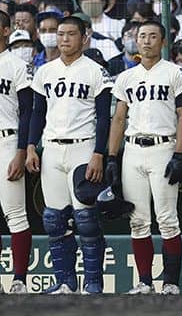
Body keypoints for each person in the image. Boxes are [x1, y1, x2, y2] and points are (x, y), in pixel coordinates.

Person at [26, 16, 113, 294]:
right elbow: (38, 113)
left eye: (71, 34)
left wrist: (99, 153)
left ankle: (93, 283)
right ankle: (65, 281)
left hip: (83, 147)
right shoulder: (44, 72)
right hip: (51, 148)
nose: (64, 39)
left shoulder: (95, 71)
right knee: (53, 219)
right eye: (60, 34)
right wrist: (30, 146)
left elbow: (103, 118)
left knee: (86, 219)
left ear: (84, 37)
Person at [106, 20, 182, 295]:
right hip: (132, 149)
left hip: (163, 147)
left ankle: (170, 283)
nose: (146, 41)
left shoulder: (175, 72)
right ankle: (144, 282)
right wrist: (111, 157)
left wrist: (179, 154)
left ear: (163, 41)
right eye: (142, 36)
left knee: (167, 218)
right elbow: (119, 118)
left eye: (152, 36)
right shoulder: (125, 77)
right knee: (138, 219)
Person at [0, 11, 33, 294]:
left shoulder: (16, 65)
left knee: (16, 214)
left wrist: (21, 151)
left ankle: (19, 280)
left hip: (7, 142)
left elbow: (27, 112)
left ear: (6, 30)